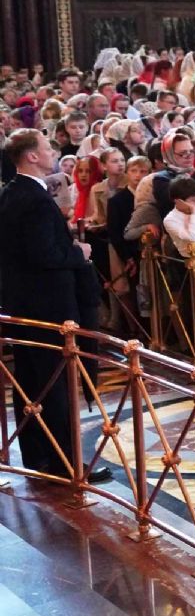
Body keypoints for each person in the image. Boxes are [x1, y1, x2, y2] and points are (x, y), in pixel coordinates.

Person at [0, 130, 109, 482]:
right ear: (31, 156)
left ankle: (38, 456)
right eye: (47, 148)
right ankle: (67, 463)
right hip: (47, 306)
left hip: (26, 304)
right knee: (54, 385)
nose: (53, 152)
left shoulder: (12, 193)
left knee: (32, 384)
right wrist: (80, 253)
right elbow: (43, 254)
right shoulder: (31, 197)